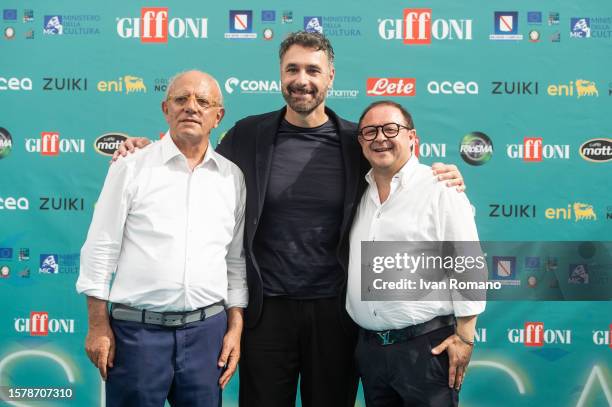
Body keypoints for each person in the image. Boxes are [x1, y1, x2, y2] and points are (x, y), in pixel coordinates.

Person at [114, 32, 466, 407]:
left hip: (335, 313)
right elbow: (196, 161)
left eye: (313, 70)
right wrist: (146, 149)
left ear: (330, 76)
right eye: (292, 69)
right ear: (280, 76)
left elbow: (399, 172)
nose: (302, 79)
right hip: (267, 313)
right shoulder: (249, 133)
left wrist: (442, 178)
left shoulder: (356, 140)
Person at [76, 70, 248, 406]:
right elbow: (101, 248)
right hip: (137, 336)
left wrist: (235, 327)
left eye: (202, 101)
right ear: (165, 108)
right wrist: (97, 326)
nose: (191, 107)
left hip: (206, 337)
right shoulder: (130, 167)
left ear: (218, 116)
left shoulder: (232, 178)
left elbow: (235, 260)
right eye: (181, 99)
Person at [346, 100, 485, 407]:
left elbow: (467, 261)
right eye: (370, 131)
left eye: (391, 129)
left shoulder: (439, 187)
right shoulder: (359, 193)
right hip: (371, 353)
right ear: (361, 142)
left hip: (426, 351)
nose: (380, 137)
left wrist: (465, 336)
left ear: (412, 138)